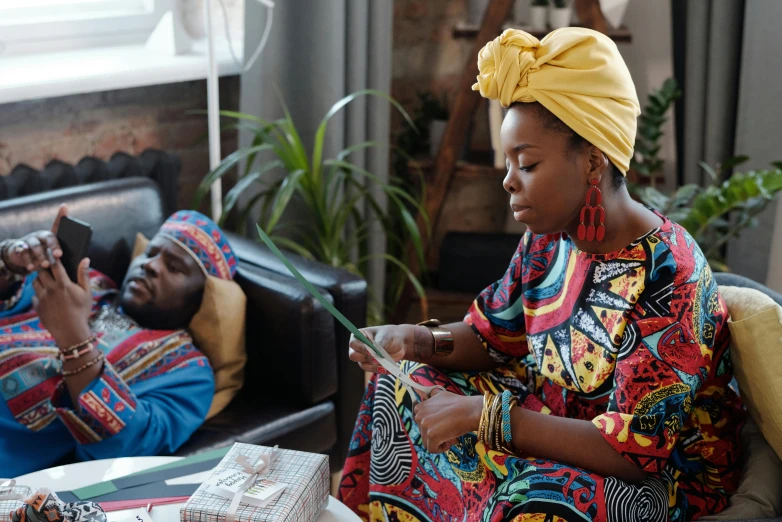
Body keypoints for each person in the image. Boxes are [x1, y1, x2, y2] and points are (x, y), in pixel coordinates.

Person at [339, 28, 743, 522]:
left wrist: (482, 418)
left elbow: (633, 452)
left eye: (526, 162)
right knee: (397, 386)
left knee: (532, 500)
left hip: (658, 480)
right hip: (543, 422)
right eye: (507, 162)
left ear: (593, 161)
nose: (508, 179)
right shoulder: (548, 238)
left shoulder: (671, 275)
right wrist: (414, 341)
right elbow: (492, 337)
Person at [0, 207, 238, 477]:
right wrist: (12, 260)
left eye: (174, 267)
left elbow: (130, 448)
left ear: (199, 296)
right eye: (150, 254)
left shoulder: (187, 371)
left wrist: (74, 341)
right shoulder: (89, 283)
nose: (150, 265)